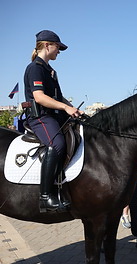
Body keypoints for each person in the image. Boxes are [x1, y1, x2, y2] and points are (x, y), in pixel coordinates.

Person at [24, 30, 83, 213]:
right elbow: (40, 97)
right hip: (40, 117)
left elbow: (59, 97)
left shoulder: (50, 71)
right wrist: (65, 108)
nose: (59, 51)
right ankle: (45, 197)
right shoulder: (35, 68)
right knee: (56, 143)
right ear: (47, 45)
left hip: (55, 115)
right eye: (58, 47)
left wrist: (73, 109)